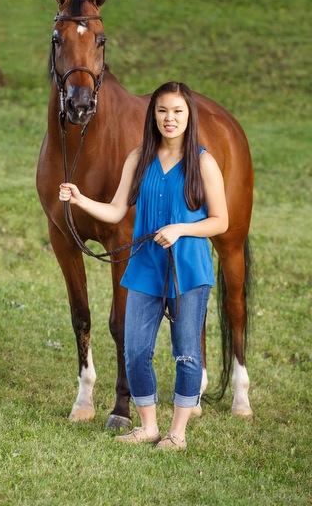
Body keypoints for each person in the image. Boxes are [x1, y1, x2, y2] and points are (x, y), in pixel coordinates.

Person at [59, 81, 228, 451]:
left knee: (186, 353)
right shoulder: (139, 158)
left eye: (178, 112)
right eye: (163, 110)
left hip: (188, 270)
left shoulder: (203, 162)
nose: (170, 118)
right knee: (134, 351)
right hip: (145, 268)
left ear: (189, 116)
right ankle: (149, 427)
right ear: (153, 115)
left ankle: (177, 434)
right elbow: (117, 210)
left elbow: (221, 221)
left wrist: (181, 229)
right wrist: (81, 199)